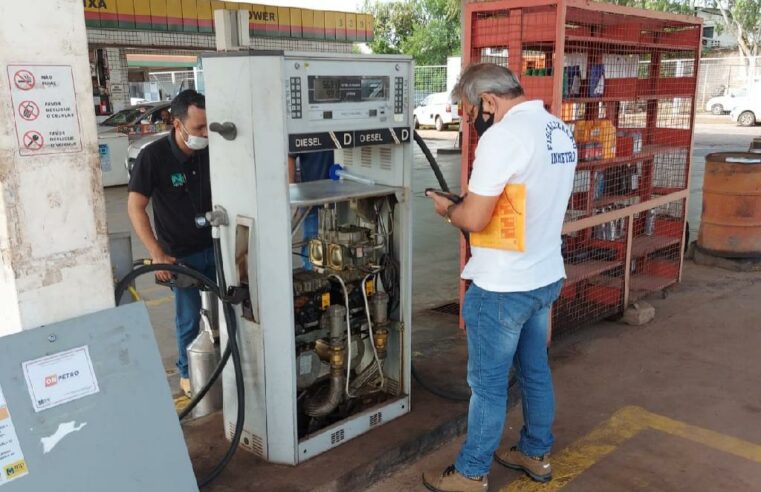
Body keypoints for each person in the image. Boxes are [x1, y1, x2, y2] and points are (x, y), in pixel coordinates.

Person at [422, 63, 577, 491]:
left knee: (487, 386)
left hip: (503, 287)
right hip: (544, 275)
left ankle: (471, 473)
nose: (473, 122)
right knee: (535, 371)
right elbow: (521, 199)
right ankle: (535, 452)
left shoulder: (503, 137)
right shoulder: (559, 130)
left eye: (472, 112)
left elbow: (473, 216)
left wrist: (448, 209)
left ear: (489, 100)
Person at [127, 89, 214, 398]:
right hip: (181, 256)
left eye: (208, 127)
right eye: (198, 129)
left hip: (217, 249)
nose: (204, 135)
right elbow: (135, 207)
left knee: (228, 312)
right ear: (177, 124)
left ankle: (226, 367)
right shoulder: (154, 157)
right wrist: (156, 253)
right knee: (189, 319)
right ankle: (188, 375)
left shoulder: (214, 150)